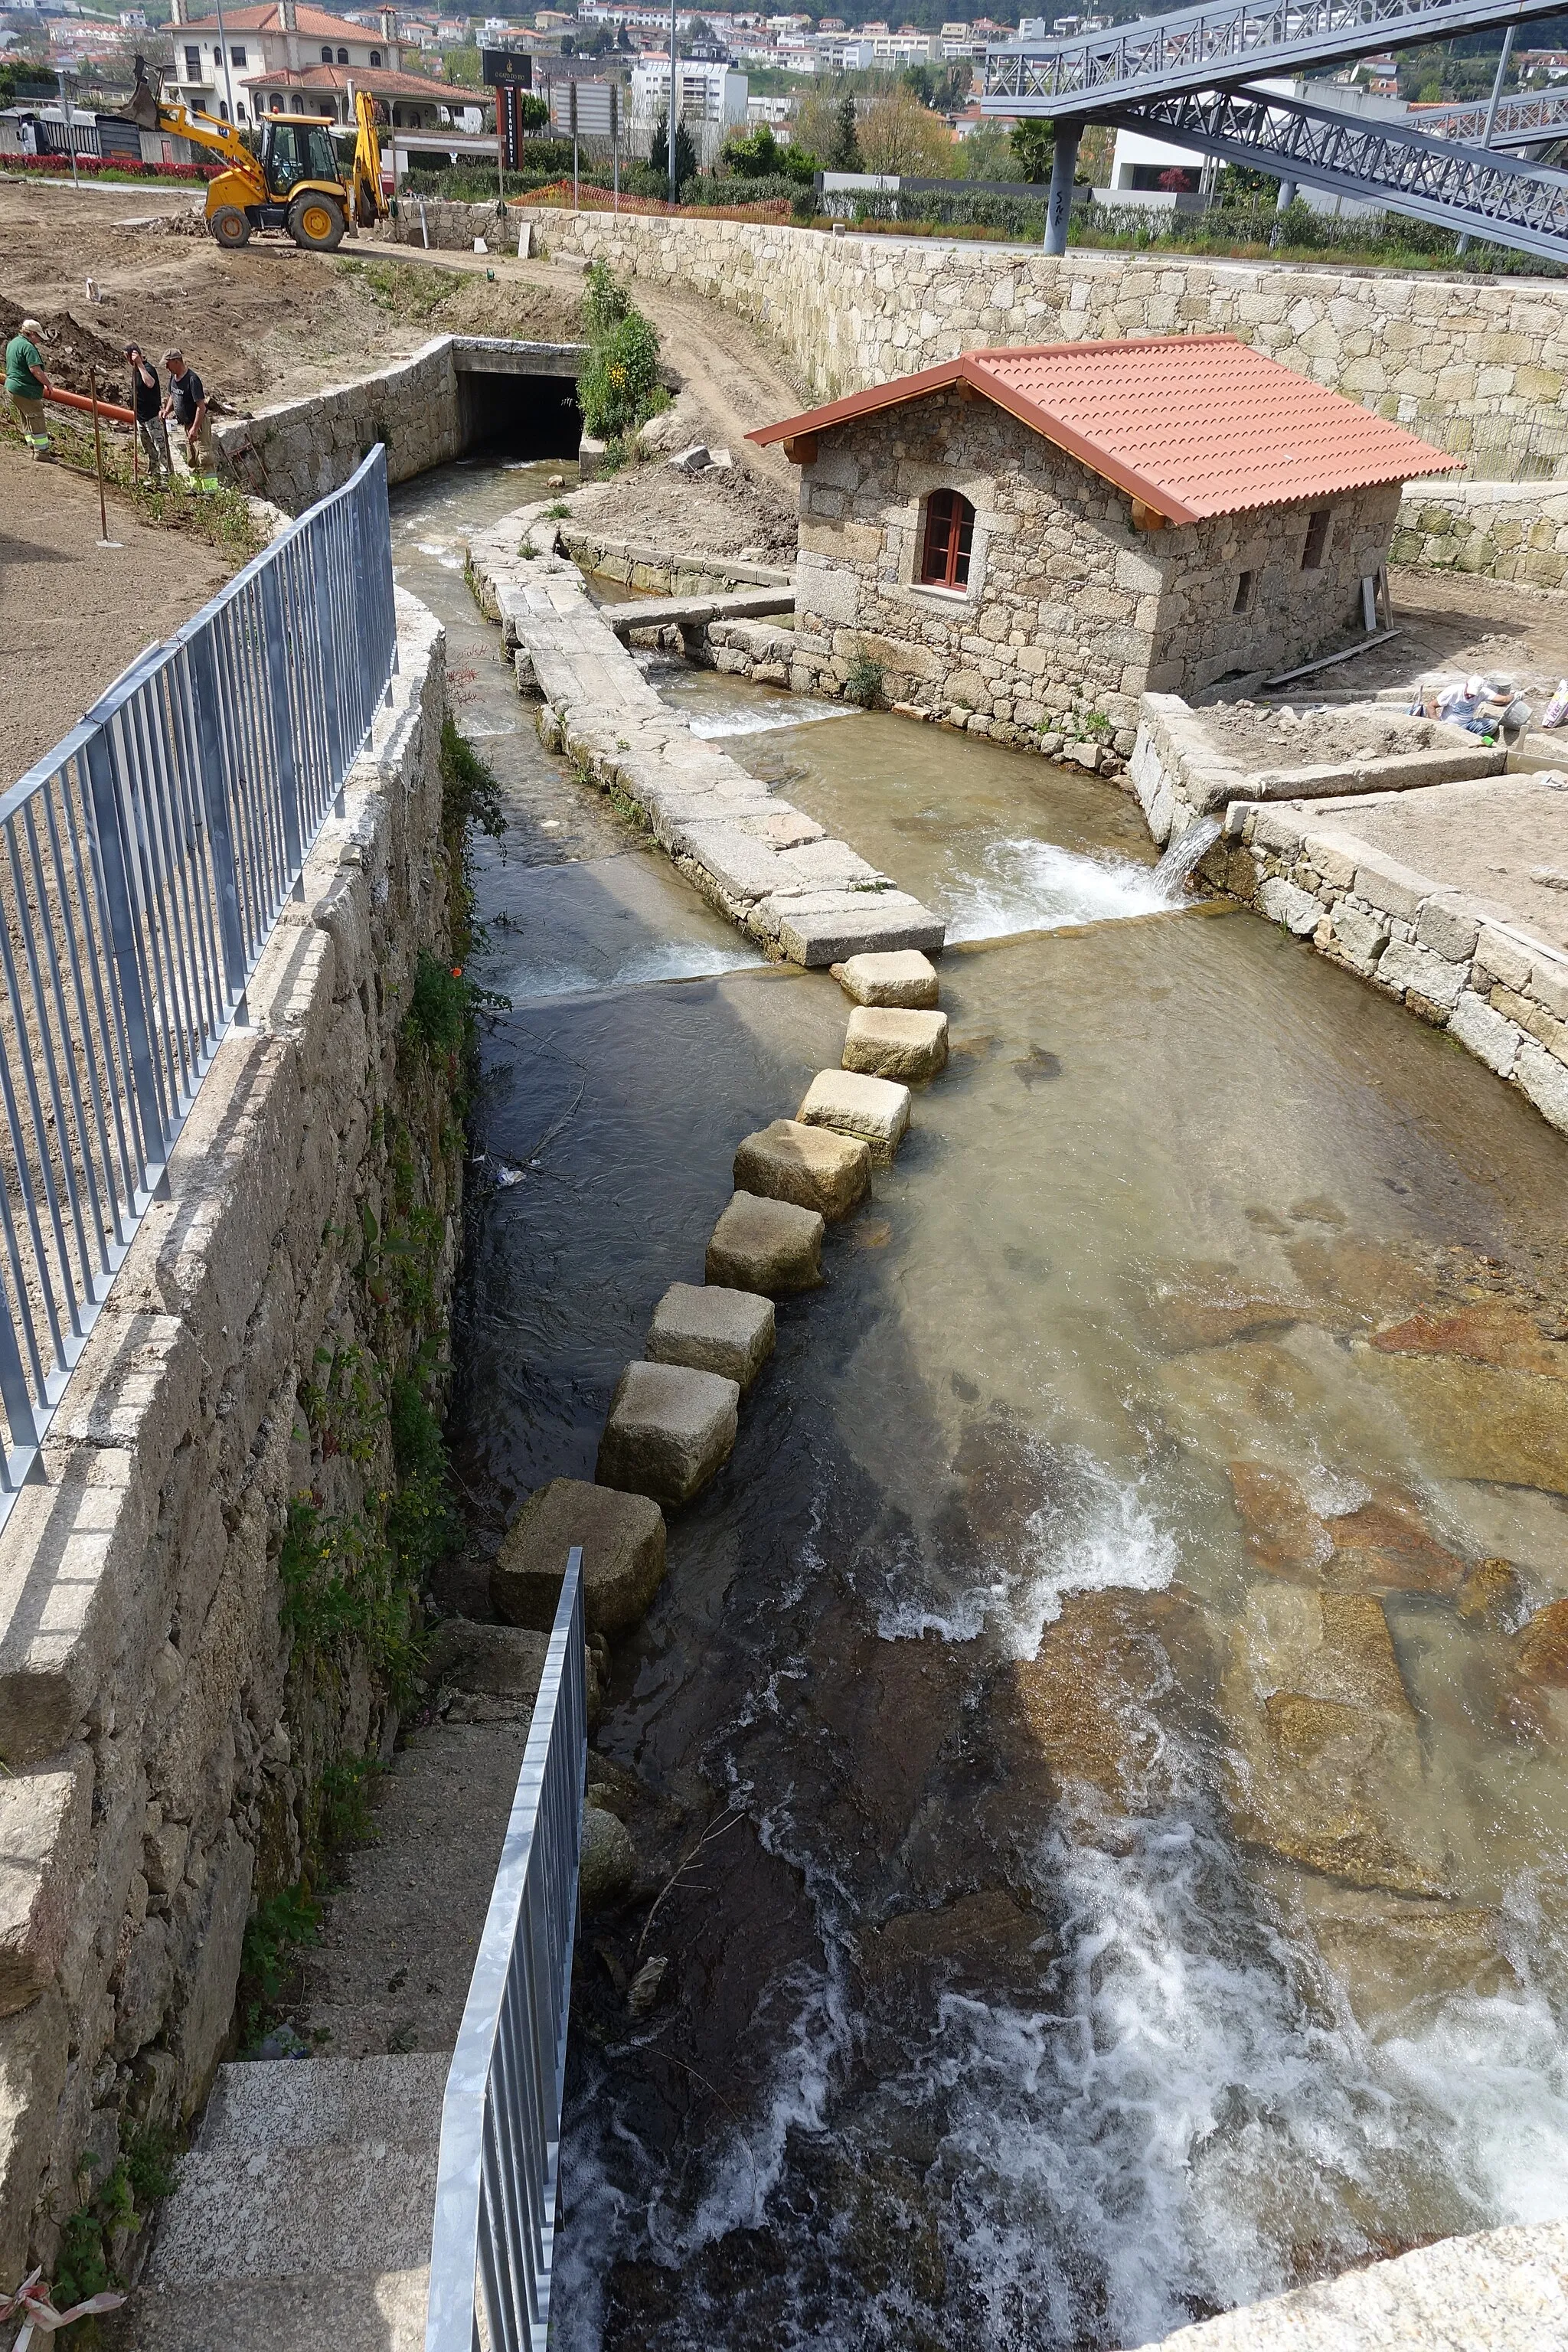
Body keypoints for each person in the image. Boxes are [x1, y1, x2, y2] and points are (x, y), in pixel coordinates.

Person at [162, 348, 213, 488]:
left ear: (176, 361)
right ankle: (195, 487)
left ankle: (210, 491)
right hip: (186, 424)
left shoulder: (192, 379)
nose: (166, 367)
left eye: (168, 364)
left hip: (198, 424)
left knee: (204, 457)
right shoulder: (174, 377)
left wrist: (195, 429)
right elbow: (173, 395)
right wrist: (167, 411)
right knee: (191, 459)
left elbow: (201, 407)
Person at [6, 317, 51, 461]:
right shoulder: (28, 347)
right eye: (38, 336)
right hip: (26, 390)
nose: (39, 340)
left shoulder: (13, 343)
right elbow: (35, 370)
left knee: (26, 419)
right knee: (36, 419)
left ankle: (32, 449)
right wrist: (48, 384)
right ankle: (42, 454)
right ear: (31, 334)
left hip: (12, 388)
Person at [126, 344, 170, 486]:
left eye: (127, 356)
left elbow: (150, 383)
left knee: (160, 448)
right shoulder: (135, 370)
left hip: (152, 417)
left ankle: (167, 481)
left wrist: (139, 364)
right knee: (149, 449)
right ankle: (155, 477)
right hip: (141, 417)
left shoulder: (148, 369)